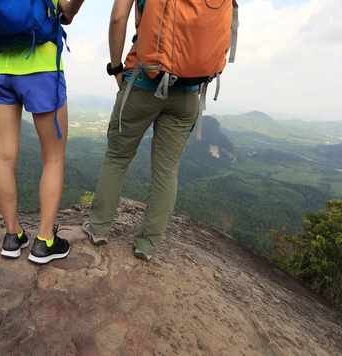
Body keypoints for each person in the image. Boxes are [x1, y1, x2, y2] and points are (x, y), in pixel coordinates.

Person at [82, 0, 238, 261]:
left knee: (118, 158)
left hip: (143, 82)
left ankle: (99, 228)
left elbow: (118, 18)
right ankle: (148, 245)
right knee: (166, 172)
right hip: (189, 94)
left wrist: (116, 66)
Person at [0, 0, 85, 264]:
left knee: (4, 155)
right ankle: (45, 241)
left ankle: (13, 236)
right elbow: (67, 12)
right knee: (53, 157)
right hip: (41, 66)